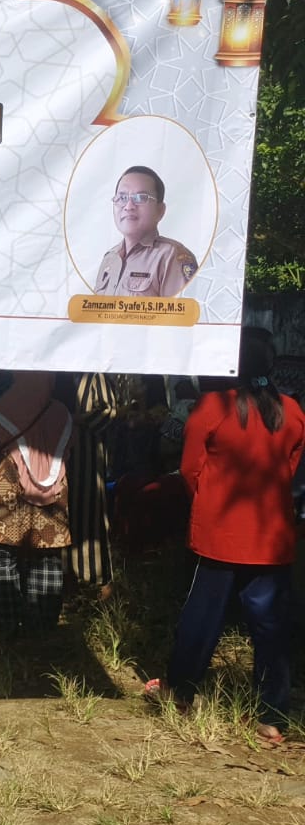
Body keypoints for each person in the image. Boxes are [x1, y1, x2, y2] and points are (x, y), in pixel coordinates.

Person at [148, 327, 304, 745]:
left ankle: (181, 694)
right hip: (272, 537)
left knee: (201, 618)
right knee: (271, 627)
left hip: (219, 535)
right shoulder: (292, 410)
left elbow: (189, 469)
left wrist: (210, 501)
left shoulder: (213, 406)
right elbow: (290, 468)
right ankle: (272, 717)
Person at [0, 372, 73, 637]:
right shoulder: (62, 412)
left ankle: (8, 625)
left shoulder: (9, 403)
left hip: (7, 486)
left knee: (1, 556)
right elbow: (68, 448)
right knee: (47, 557)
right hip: (54, 490)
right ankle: (42, 627)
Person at [93, 166, 199, 298]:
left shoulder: (171, 257)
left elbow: (182, 311)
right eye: (122, 198)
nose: (129, 206)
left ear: (160, 210)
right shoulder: (110, 259)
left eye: (140, 198)